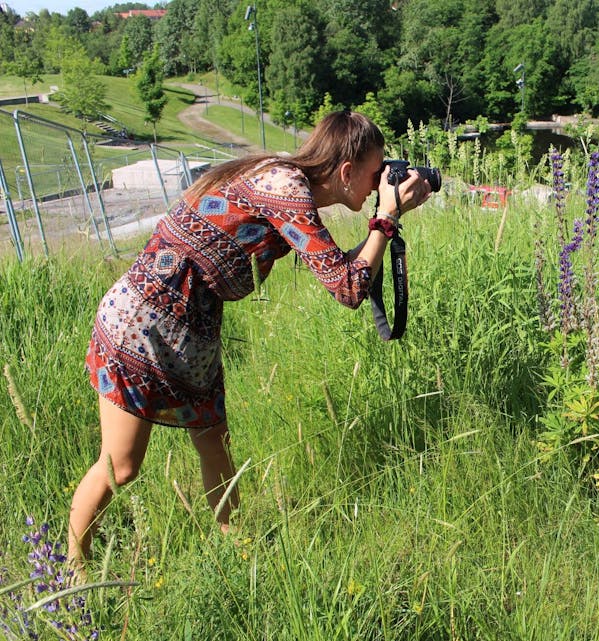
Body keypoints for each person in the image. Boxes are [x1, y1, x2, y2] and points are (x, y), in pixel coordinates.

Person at [68, 110, 432, 563]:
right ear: (345, 171)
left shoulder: (288, 186)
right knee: (121, 466)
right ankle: (74, 569)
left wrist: (387, 220)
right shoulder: (286, 188)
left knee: (214, 447)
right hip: (147, 320)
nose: (381, 183)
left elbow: (345, 272)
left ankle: (237, 554)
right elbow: (349, 289)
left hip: (194, 331)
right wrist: (386, 216)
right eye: (377, 173)